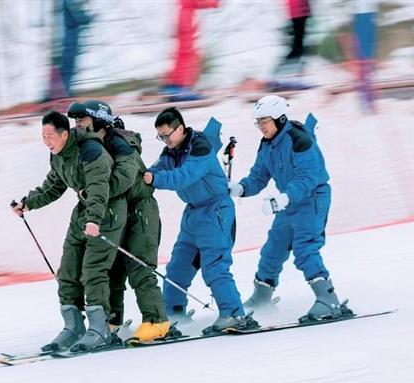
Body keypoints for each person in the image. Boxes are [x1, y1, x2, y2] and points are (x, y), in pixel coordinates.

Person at [228, 95, 351, 322]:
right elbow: (259, 175)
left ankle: (328, 299)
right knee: (273, 248)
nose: (260, 127)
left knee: (305, 249)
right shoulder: (267, 144)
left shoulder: (299, 140)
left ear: (280, 118)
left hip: (312, 198)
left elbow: (308, 176)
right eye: (258, 122)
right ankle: (262, 295)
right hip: (289, 201)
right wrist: (240, 188)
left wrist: (283, 198)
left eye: (264, 121)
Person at [12, 111, 126, 352]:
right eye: (43, 136)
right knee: (68, 269)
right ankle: (73, 326)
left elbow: (98, 187)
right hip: (83, 211)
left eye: (50, 136)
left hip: (106, 211)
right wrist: (28, 203)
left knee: (93, 270)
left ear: (65, 134)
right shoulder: (58, 156)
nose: (46, 141)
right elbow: (54, 185)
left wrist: (95, 219)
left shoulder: (90, 150)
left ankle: (100, 328)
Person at [144, 107, 258, 335]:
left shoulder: (200, 147)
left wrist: (154, 179)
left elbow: (182, 176)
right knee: (177, 268)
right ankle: (174, 314)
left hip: (216, 211)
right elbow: (154, 170)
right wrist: (141, 178)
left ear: (181, 128)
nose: (164, 141)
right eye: (161, 137)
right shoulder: (171, 151)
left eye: (167, 135)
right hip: (193, 215)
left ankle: (234, 314)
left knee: (214, 267)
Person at [67, 100, 171, 342]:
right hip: (115, 212)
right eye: (75, 121)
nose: (77, 125)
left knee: (139, 266)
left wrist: (93, 192)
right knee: (111, 268)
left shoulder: (121, 145)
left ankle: (157, 321)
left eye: (82, 119)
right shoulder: (91, 145)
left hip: (139, 212)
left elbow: (123, 179)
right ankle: (111, 321)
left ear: (99, 120)